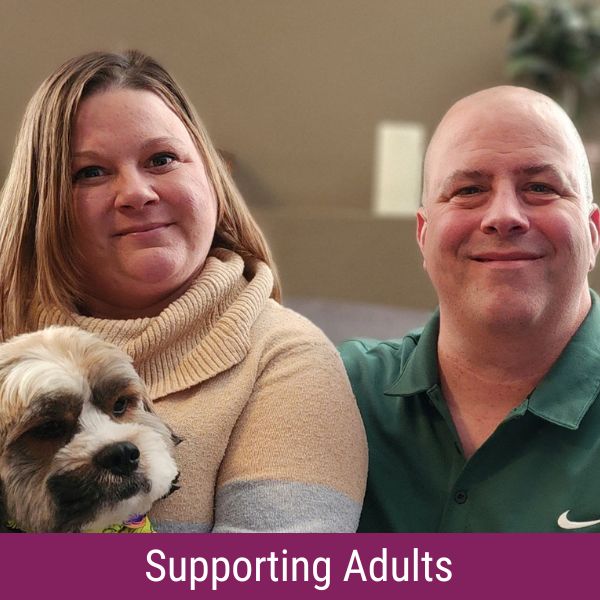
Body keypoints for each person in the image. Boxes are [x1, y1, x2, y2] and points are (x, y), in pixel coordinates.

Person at [0, 50, 367, 532]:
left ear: (211, 176)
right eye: (90, 172)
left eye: (161, 159)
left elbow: (277, 574)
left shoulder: (286, 359)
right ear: (41, 204)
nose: (136, 193)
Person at [340, 85, 600, 532]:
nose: (503, 215)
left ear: (592, 234)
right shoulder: (335, 392)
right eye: (468, 189)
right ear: (423, 235)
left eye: (540, 187)